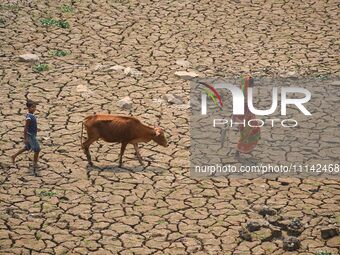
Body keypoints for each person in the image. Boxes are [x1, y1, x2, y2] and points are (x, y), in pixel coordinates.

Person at [233, 76, 261, 163]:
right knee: (247, 134)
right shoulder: (243, 94)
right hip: (245, 118)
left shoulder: (246, 92)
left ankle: (245, 149)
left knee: (252, 132)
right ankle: (238, 151)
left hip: (249, 116)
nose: (253, 85)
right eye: (252, 84)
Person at [11, 99, 41, 169]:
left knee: (27, 148)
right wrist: (25, 138)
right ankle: (35, 163)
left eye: (35, 107)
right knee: (37, 149)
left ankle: (14, 156)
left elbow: (31, 125)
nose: (34, 109)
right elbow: (26, 128)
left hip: (32, 134)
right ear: (28, 108)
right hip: (30, 136)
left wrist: (36, 129)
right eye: (32, 107)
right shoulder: (29, 117)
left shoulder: (32, 115)